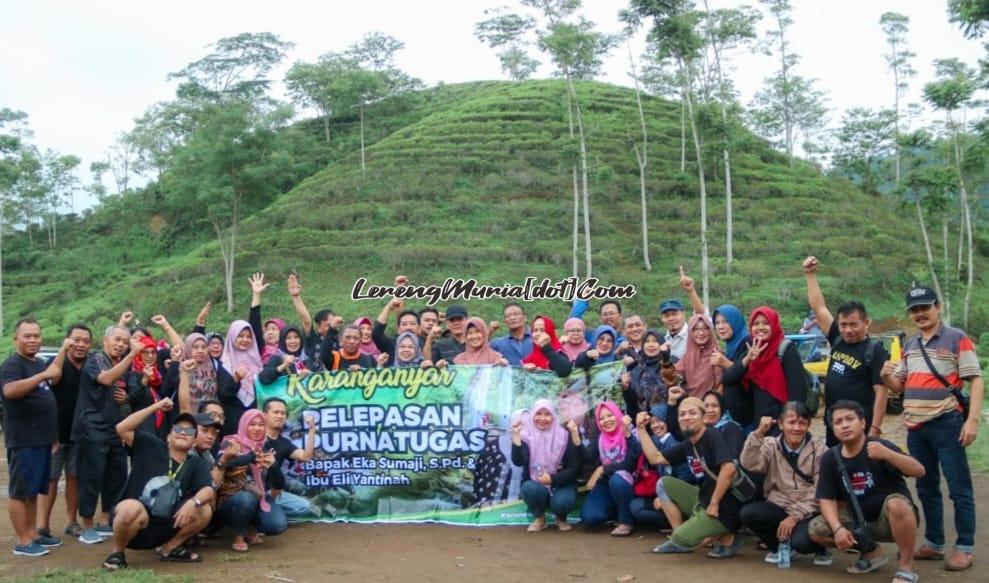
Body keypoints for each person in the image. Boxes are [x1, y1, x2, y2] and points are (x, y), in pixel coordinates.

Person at [882, 285, 983, 572]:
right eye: (914, 309)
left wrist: (972, 420)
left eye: (925, 307)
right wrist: (887, 376)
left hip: (947, 422)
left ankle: (964, 547)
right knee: (926, 487)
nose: (919, 313)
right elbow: (899, 387)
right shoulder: (911, 345)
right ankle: (935, 543)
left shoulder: (955, 338)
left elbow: (975, 379)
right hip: (916, 427)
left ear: (937, 307)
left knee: (958, 487)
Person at [809, 400, 925, 583]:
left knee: (897, 504)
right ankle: (871, 551)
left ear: (862, 422)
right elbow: (826, 497)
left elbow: (919, 471)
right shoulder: (831, 457)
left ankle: (905, 566)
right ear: (833, 429)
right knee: (817, 529)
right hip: (858, 521)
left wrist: (888, 455)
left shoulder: (881, 446)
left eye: (850, 419)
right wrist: (838, 529)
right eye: (838, 422)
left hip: (891, 519)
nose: (845, 425)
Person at [101, 399, 214, 570]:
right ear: (169, 436)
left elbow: (208, 490)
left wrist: (193, 502)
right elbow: (121, 428)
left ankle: (169, 548)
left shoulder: (195, 463)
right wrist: (156, 407)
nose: (183, 433)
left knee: (204, 509)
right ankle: (118, 553)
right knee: (129, 508)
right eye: (178, 429)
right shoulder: (151, 446)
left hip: (168, 527)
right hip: (136, 523)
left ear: (193, 442)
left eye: (189, 431)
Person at [637, 396, 742, 557]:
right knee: (663, 483)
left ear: (704, 417)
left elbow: (729, 468)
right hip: (703, 501)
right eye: (682, 414)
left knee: (682, 539)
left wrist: (714, 503)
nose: (686, 417)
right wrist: (641, 429)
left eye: (692, 413)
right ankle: (688, 534)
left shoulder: (712, 435)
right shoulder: (689, 443)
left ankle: (725, 535)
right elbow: (655, 458)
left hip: (723, 508)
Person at [1, 319, 70, 556]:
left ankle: (32, 533)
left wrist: (51, 437)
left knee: (32, 490)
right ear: (16, 339)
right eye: (27, 336)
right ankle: (22, 541)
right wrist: (42, 376)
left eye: (36, 336)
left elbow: (52, 380)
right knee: (20, 491)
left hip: (41, 440)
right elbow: (9, 391)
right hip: (23, 439)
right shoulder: (12, 364)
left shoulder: (37, 362)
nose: (32, 340)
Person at [804, 256, 889, 445]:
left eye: (853, 325)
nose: (848, 330)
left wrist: (875, 429)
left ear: (866, 323)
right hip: (834, 422)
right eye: (843, 325)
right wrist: (810, 274)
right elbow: (818, 307)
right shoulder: (837, 337)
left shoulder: (875, 351)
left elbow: (881, 393)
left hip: (860, 426)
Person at [73, 325, 142, 544]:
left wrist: (126, 397)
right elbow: (105, 379)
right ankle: (86, 525)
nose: (121, 345)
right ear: (105, 341)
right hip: (92, 428)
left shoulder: (120, 363)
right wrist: (132, 353)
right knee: (91, 477)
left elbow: (125, 391)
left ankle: (105, 520)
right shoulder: (96, 360)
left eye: (125, 342)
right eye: (117, 340)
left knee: (116, 475)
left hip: (114, 428)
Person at [739, 402, 831, 566]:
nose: (797, 428)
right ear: (781, 424)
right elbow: (749, 464)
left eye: (802, 423)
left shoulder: (820, 450)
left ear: (808, 425)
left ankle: (821, 549)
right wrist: (758, 433)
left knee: (802, 543)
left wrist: (794, 516)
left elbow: (820, 489)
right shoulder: (770, 444)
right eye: (791, 422)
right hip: (780, 504)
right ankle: (780, 547)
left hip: (809, 509)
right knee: (749, 513)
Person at [37, 324, 92, 541]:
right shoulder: (57, 362)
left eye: (85, 341)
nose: (80, 345)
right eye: (76, 340)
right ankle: (42, 525)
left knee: (74, 477)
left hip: (79, 433)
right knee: (49, 479)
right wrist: (62, 350)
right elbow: (53, 378)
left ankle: (71, 521)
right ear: (67, 340)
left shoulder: (90, 365)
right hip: (54, 434)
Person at [722, 307, 807, 433]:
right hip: (760, 425)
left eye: (766, 323)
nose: (760, 327)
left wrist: (790, 422)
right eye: (756, 324)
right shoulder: (751, 349)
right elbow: (728, 378)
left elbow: (798, 391)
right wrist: (748, 360)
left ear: (774, 325)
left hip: (782, 424)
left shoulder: (785, 349)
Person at [215, 409, 287, 552]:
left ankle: (249, 525)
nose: (257, 428)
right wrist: (251, 457)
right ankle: (239, 535)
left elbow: (279, 484)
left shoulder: (264, 446)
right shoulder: (231, 442)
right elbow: (224, 463)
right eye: (252, 424)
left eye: (261, 425)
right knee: (245, 498)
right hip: (229, 499)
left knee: (276, 525)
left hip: (259, 497)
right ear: (244, 424)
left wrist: (274, 466)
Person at [510, 400, 581, 532]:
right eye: (538, 414)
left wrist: (552, 479)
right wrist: (516, 437)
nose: (542, 418)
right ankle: (540, 518)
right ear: (532, 415)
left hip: (561, 483)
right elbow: (519, 461)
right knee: (528, 488)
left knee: (563, 501)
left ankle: (560, 517)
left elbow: (574, 468)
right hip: (536, 484)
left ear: (553, 416)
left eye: (547, 414)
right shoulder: (525, 435)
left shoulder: (564, 435)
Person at [579, 401, 639, 537]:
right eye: (601, 418)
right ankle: (619, 511)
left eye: (610, 415)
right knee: (590, 518)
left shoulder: (630, 433)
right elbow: (587, 457)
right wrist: (576, 439)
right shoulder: (600, 438)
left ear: (618, 415)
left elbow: (630, 464)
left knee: (618, 479)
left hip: (628, 483)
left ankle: (626, 521)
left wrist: (601, 469)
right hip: (607, 483)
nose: (606, 420)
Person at [628, 404, 690, 530]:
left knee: (637, 507)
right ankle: (669, 521)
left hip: (681, 493)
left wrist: (666, 498)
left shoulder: (674, 442)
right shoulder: (658, 440)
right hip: (664, 490)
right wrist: (629, 433)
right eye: (652, 422)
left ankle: (683, 523)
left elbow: (687, 476)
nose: (655, 425)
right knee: (635, 506)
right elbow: (639, 450)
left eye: (660, 420)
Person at [262, 398, 317, 518]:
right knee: (275, 525)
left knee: (304, 506)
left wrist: (312, 430)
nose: (280, 416)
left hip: (273, 493)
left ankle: (273, 514)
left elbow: (306, 457)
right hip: (253, 491)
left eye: (283, 413)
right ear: (264, 415)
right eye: (276, 412)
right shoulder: (256, 437)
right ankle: (269, 517)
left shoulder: (284, 443)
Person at [167, 332, 237, 416]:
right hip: (187, 419)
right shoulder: (180, 367)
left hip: (210, 418)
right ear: (188, 348)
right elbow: (166, 390)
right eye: (195, 347)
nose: (200, 351)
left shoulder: (213, 367)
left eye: (204, 347)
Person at [711, 304, 754, 429]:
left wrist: (725, 363)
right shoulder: (731, 346)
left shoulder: (747, 342)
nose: (720, 327)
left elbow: (749, 376)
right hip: (734, 417)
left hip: (748, 418)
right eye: (717, 323)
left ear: (735, 321)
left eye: (725, 321)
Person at [220, 319, 263, 435]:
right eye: (241, 336)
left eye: (249, 337)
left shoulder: (256, 361)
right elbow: (223, 396)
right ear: (232, 337)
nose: (245, 340)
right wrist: (236, 379)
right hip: (233, 421)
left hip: (255, 422)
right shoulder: (224, 362)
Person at [125, 335, 172, 440]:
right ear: (139, 355)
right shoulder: (134, 375)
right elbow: (133, 400)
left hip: (161, 427)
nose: (150, 356)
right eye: (146, 353)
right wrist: (145, 380)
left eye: (153, 352)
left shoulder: (158, 375)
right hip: (144, 426)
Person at [621, 329, 674, 418]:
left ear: (661, 343)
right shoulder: (636, 370)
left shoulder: (670, 362)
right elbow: (632, 404)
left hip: (669, 419)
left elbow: (673, 382)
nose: (651, 345)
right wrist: (626, 388)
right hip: (645, 421)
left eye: (655, 341)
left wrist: (665, 357)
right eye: (647, 341)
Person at [287, 273, 340, 360]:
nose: (332, 328)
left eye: (333, 324)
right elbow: (306, 321)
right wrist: (296, 296)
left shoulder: (341, 343)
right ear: (319, 327)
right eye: (328, 325)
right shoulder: (313, 340)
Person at [660, 266, 708, 361]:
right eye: (667, 316)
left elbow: (701, 315)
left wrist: (691, 291)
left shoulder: (693, 333)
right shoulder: (662, 340)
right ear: (662, 318)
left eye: (674, 314)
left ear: (683, 314)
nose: (671, 318)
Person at [675, 315, 723, 398]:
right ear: (690, 332)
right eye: (696, 329)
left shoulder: (717, 355)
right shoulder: (687, 357)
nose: (701, 333)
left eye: (705, 328)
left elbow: (720, 385)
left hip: (711, 405)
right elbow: (673, 377)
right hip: (691, 405)